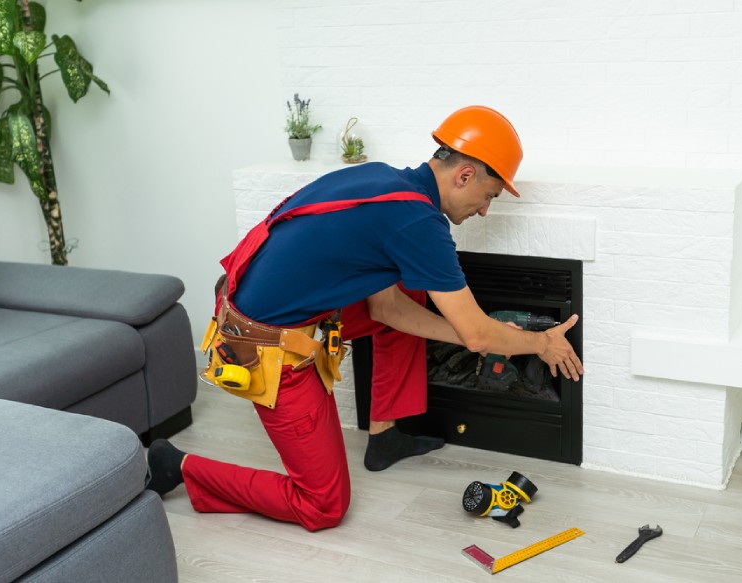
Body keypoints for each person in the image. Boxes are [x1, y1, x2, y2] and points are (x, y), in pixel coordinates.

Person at [146, 105, 583, 531]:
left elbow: (386, 309)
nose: (485, 210)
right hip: (263, 346)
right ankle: (180, 465)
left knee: (413, 289)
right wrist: (538, 343)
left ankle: (384, 434)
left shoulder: (383, 183)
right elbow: (472, 332)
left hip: (263, 308)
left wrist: (484, 333)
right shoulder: (418, 223)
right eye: (489, 196)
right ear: (464, 174)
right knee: (323, 505)